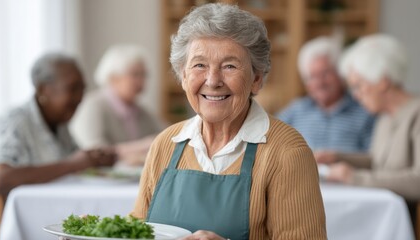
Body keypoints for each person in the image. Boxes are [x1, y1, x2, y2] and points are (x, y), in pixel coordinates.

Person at [132, 3, 327, 240]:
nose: (213, 81)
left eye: (230, 66)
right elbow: (136, 232)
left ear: (256, 79)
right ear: (183, 76)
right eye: (200, 65)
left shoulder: (287, 153)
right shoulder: (165, 144)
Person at [0, 53, 117, 199]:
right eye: (73, 88)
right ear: (43, 90)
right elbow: (0, 178)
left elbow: (76, 162)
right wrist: (73, 164)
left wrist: (95, 160)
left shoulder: (59, 123)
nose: (80, 97)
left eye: (82, 88)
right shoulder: (15, 121)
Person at [319, 34, 420, 201]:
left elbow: (418, 181)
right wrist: (336, 157)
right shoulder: (385, 116)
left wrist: (354, 178)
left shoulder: (416, 114)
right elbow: (378, 163)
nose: (356, 96)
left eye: (358, 86)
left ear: (383, 81)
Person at [278, 36, 375, 155]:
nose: (320, 83)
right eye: (312, 77)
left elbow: (374, 160)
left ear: (340, 74)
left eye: (325, 74)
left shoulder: (365, 113)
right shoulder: (295, 111)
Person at [70, 45, 162, 165]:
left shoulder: (142, 111)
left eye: (144, 75)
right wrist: (144, 146)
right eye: (135, 75)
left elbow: (168, 135)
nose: (141, 81)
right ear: (113, 78)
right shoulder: (92, 106)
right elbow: (94, 152)